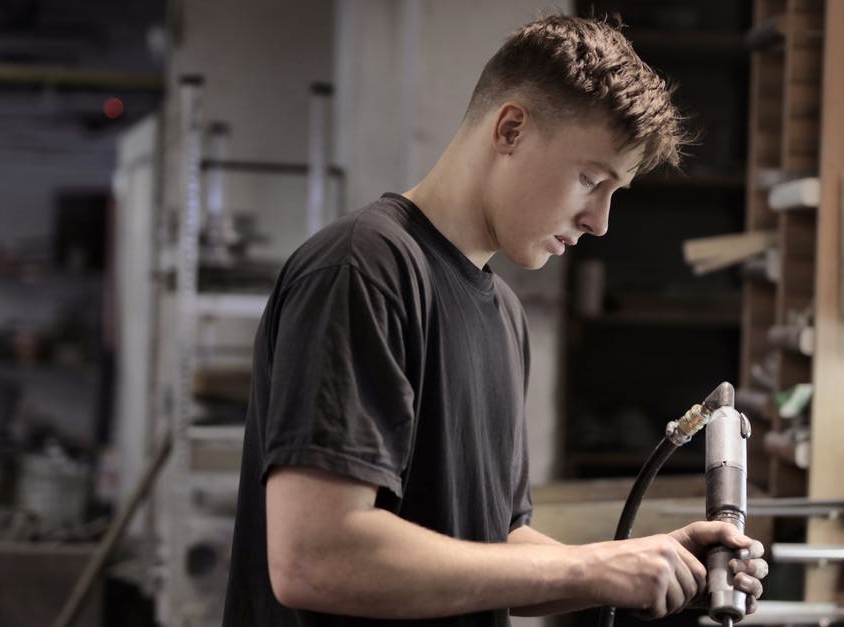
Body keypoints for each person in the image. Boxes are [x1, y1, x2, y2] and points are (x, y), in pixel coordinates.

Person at [223, 14, 769, 627]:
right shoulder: (364, 270)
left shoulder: (504, 315)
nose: (600, 221)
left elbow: (495, 550)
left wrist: (647, 567)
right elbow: (314, 559)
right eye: (590, 179)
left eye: (616, 192)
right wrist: (590, 570)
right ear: (510, 129)